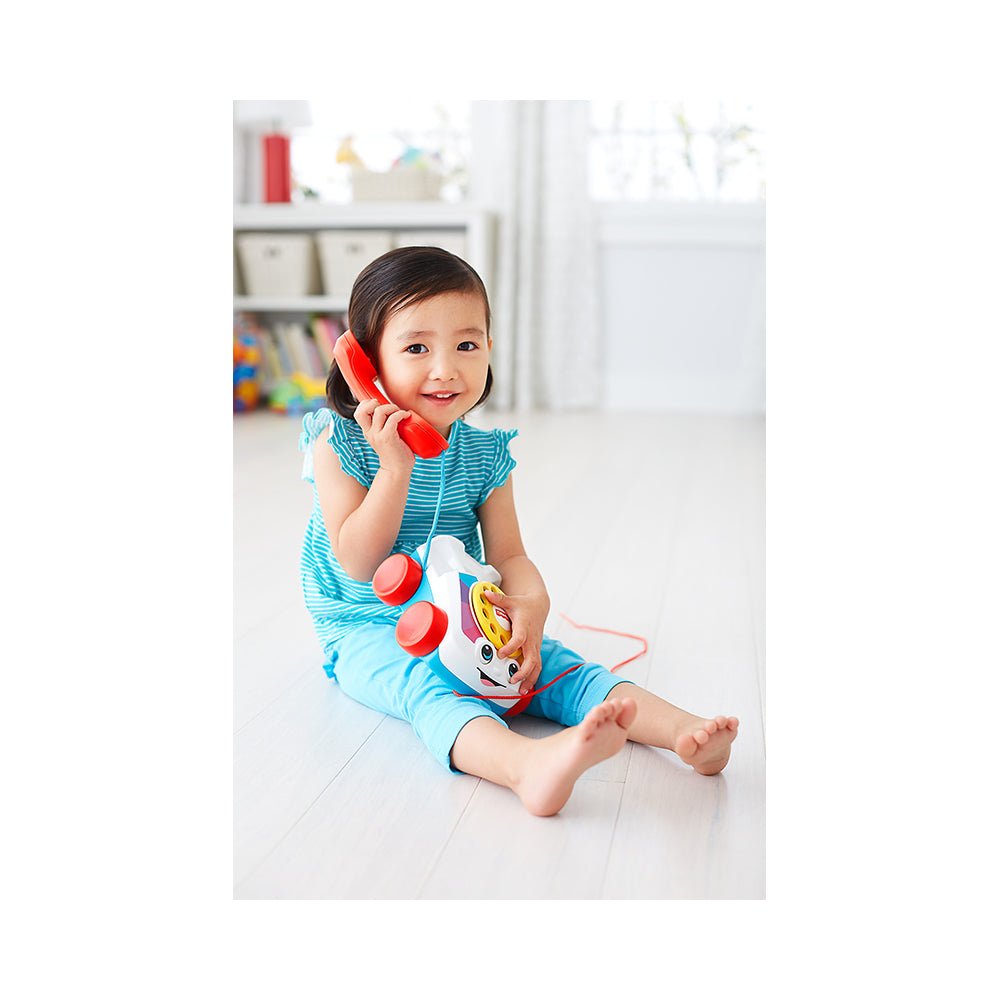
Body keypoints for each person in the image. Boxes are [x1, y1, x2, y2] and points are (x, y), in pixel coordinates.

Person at [299, 246, 738, 816]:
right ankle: (523, 765)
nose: (446, 368)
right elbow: (359, 562)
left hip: (463, 609)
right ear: (365, 363)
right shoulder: (339, 444)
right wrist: (395, 468)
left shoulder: (484, 455)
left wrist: (531, 604)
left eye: (467, 345)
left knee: (555, 666)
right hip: (366, 626)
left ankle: (683, 732)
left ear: (489, 347)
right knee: (425, 688)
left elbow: (509, 556)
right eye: (416, 348)